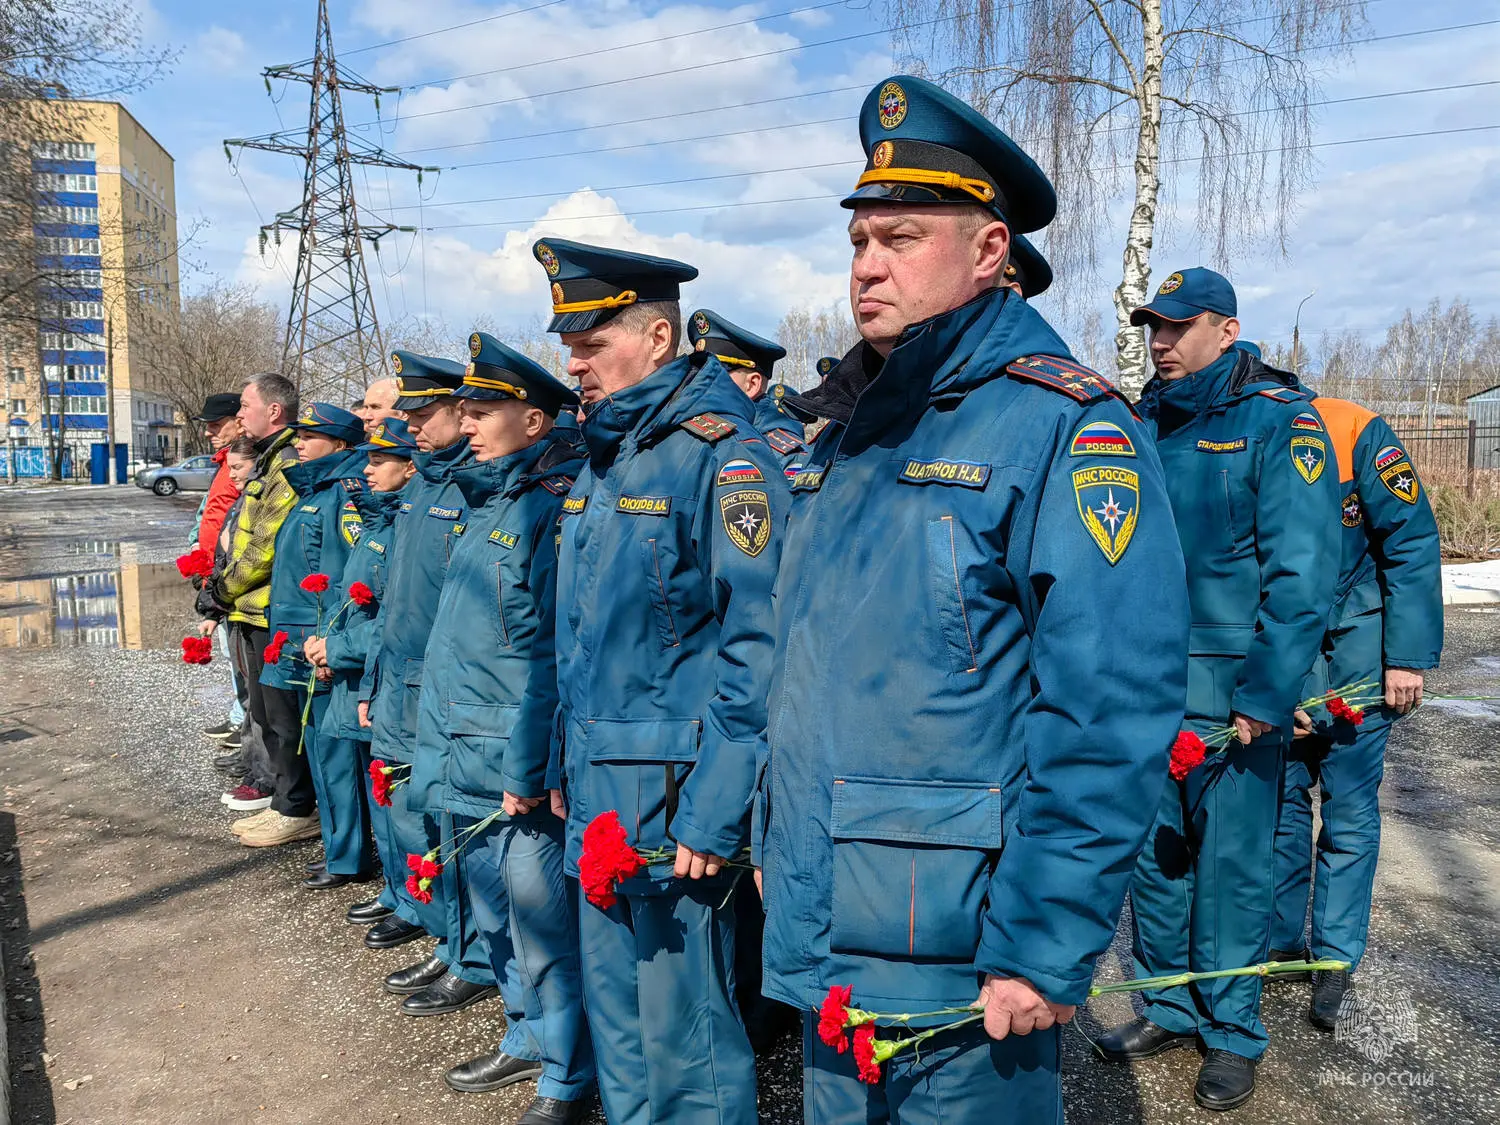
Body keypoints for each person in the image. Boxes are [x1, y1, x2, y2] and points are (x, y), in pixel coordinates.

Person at [759, 75, 1190, 1125]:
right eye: (860, 240)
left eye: (901, 238)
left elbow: (1107, 705)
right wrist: (776, 838)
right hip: (831, 928)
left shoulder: (1062, 426)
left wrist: (1044, 942)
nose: (867, 265)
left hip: (958, 948)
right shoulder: (847, 432)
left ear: (990, 249)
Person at [536, 236, 787, 1125]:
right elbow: (585, 639)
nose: (574, 363)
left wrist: (719, 804)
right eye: (570, 345)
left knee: (686, 1040)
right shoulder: (605, 454)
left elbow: (760, 643)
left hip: (676, 809)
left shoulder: (722, 454)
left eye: (591, 343)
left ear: (655, 336)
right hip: (599, 789)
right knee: (620, 1026)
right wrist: (562, 759)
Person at [1099, 267, 1341, 1111]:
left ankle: (1233, 1029)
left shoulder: (1280, 421)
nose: (1160, 343)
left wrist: (1265, 694)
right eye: (1153, 329)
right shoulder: (1141, 421)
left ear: (1227, 330)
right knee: (1156, 862)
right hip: (1145, 689)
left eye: (1177, 327)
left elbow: (1302, 575)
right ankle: (1170, 1003)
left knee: (1233, 870)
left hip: (1234, 697)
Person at [406, 332, 591, 1123]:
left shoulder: (549, 506)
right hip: (464, 745)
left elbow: (552, 652)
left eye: (484, 412)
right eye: (468, 411)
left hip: (513, 756)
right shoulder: (491, 501)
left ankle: (567, 1073)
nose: (469, 424)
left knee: (541, 921)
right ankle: (525, 1034)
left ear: (535, 422)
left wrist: (532, 762)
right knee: (494, 912)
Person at [1269, 397, 1441, 1027]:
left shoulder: (1355, 428)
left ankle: (1334, 957)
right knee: (1281, 805)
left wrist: (1407, 658)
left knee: (1347, 811)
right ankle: (1279, 944)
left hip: (1358, 657)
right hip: (1281, 657)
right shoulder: (1246, 431)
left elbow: (1411, 540)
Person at [358, 350, 501, 1022]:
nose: (410, 425)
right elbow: (395, 602)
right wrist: (373, 678)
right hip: (401, 683)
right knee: (416, 823)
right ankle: (450, 941)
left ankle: (472, 957)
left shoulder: (472, 486)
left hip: (442, 691)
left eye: (423, 413)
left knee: (452, 830)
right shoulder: (421, 486)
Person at [237, 404, 369, 868]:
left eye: (311, 437)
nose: (300, 444)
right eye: (299, 436)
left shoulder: (344, 496)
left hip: (321, 649)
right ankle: (338, 851)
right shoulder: (313, 489)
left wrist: (333, 645)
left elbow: (344, 583)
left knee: (336, 755)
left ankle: (348, 857)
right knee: (318, 749)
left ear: (341, 444)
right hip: (297, 646)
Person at [307, 419, 420, 924]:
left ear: (410, 467)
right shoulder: (377, 522)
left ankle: (413, 903)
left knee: (396, 798)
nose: (367, 470)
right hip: (359, 674)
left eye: (379, 462)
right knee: (381, 793)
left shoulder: (401, 529)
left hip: (381, 676)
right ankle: (396, 893)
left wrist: (338, 647)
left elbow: (397, 620)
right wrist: (325, 643)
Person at [212, 373, 319, 849]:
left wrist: (221, 589)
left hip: (269, 609)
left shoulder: (286, 461)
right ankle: (284, 801)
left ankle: (297, 808)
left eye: (245, 406)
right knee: (263, 711)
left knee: (282, 718)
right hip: (250, 608)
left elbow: (265, 547)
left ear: (274, 411)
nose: (239, 416)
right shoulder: (270, 457)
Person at [687, 309, 806, 474]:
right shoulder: (701, 430)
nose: (700, 380)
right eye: (698, 371)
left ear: (752, 385)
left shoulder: (781, 456)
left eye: (716, 372)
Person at [192, 392, 247, 746]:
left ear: (238, 422)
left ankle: (245, 723)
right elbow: (212, 512)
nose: (209, 432)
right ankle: (240, 717)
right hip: (216, 570)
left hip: (233, 572)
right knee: (231, 652)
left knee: (239, 654)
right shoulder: (225, 461)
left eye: (215, 425)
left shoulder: (243, 461)